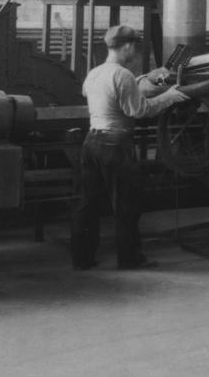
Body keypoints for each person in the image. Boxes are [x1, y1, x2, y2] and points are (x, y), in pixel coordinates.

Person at [70, 25, 190, 271]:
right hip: (115, 146)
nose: (135, 52)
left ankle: (82, 259)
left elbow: (102, 91)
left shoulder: (95, 73)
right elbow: (139, 110)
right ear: (126, 46)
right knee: (126, 205)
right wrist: (171, 96)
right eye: (135, 47)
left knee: (87, 204)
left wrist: (144, 79)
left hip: (91, 143)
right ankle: (129, 258)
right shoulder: (122, 75)